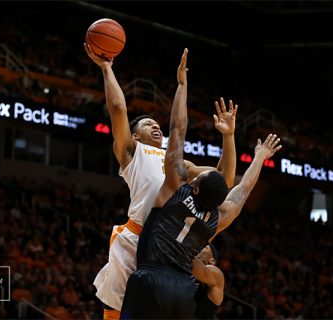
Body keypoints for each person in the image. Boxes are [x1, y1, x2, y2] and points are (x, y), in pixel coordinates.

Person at [119, 48, 282, 319]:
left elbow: (177, 130)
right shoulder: (219, 217)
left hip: (152, 278)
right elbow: (242, 190)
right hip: (183, 290)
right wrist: (260, 157)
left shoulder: (173, 192)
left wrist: (182, 85)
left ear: (194, 187)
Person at [84, 44, 238, 319]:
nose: (156, 126)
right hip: (136, 237)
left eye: (158, 123)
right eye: (147, 124)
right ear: (134, 136)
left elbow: (222, 181)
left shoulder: (180, 165)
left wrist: (228, 137)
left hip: (168, 248)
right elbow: (118, 108)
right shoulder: (131, 153)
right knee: (115, 313)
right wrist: (107, 68)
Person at [192, 244, 224, 319]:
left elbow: (193, 265)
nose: (200, 248)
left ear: (212, 260)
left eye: (205, 247)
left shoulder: (216, 274)